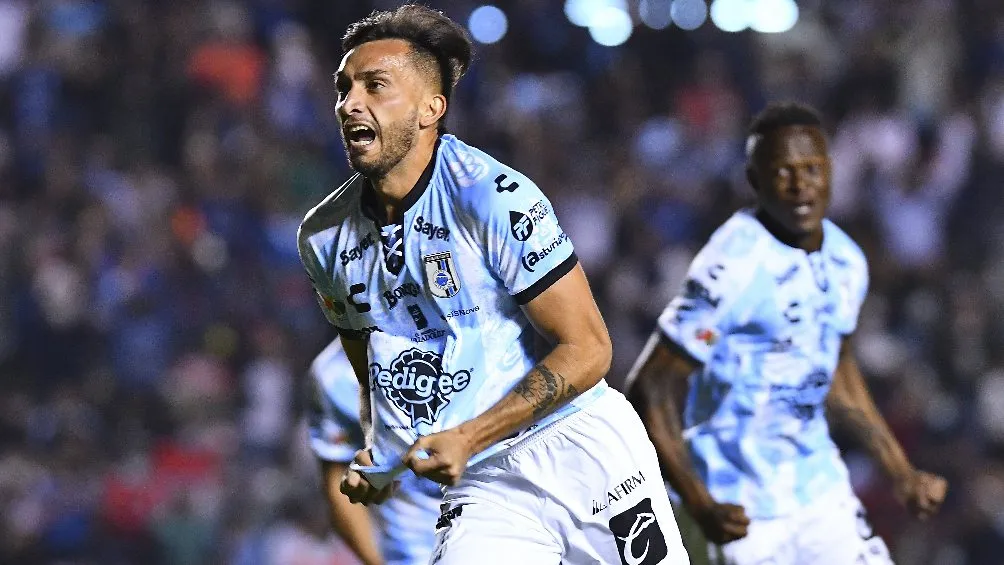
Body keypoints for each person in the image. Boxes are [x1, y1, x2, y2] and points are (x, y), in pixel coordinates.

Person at [297, 5, 688, 564]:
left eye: (374, 86)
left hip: (581, 449)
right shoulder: (323, 237)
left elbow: (590, 348)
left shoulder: (491, 197)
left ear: (431, 108)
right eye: (344, 88)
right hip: (484, 483)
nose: (350, 103)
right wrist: (382, 452)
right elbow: (372, 364)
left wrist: (467, 436)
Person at [624, 102, 948, 564]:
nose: (800, 185)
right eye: (782, 172)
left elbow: (837, 372)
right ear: (756, 180)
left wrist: (900, 471)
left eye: (812, 169)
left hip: (817, 490)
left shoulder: (846, 260)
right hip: (739, 501)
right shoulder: (733, 263)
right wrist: (698, 500)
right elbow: (650, 384)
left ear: (830, 172)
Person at [306, 338, 442, 565]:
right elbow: (338, 487)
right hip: (411, 551)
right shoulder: (333, 374)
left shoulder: (472, 335)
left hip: (492, 531)